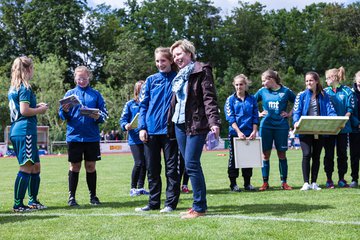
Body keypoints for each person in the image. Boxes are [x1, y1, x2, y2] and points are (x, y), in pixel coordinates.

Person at [170, 39, 221, 219]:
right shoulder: (179, 76)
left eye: (179, 54)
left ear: (189, 53)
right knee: (189, 165)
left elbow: (209, 98)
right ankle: (197, 205)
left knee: (192, 164)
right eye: (174, 55)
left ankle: (199, 207)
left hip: (197, 123)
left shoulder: (202, 70)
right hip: (179, 124)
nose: (176, 58)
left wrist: (214, 122)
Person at [135, 47, 180, 213]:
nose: (160, 64)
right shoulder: (151, 80)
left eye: (163, 60)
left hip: (171, 131)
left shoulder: (178, 78)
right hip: (151, 131)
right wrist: (142, 127)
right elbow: (143, 105)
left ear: (170, 61)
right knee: (152, 169)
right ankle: (153, 203)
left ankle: (170, 203)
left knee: (171, 169)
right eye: (157, 61)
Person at [59, 66, 108, 206]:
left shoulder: (96, 94)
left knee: (91, 166)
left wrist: (97, 116)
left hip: (91, 137)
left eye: (84, 78)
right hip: (74, 136)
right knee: (74, 166)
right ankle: (71, 198)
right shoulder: (70, 94)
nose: (81, 81)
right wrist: (65, 111)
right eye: (79, 78)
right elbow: (62, 115)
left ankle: (93, 197)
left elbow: (104, 115)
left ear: (89, 78)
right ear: (75, 78)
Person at [8, 56, 49, 212]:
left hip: (21, 129)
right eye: (32, 68)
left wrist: (36, 105)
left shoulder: (14, 87)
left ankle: (33, 201)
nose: (33, 71)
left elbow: (22, 108)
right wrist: (41, 110)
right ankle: (18, 204)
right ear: (27, 69)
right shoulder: (25, 87)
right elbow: (25, 111)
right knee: (26, 167)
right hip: (24, 131)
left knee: (35, 166)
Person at [293, 71, 337, 191]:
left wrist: (334, 120)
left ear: (316, 81)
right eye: (306, 81)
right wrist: (296, 121)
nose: (308, 82)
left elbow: (330, 110)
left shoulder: (324, 95)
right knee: (307, 154)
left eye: (310, 80)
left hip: (320, 130)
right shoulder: (301, 95)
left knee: (316, 156)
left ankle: (314, 182)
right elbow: (296, 111)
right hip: (304, 129)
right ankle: (306, 182)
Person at [254, 69, 296, 191]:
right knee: (265, 154)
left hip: (281, 126)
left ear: (271, 79)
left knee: (281, 153)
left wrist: (289, 114)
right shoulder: (262, 91)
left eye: (264, 81)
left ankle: (284, 182)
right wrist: (258, 113)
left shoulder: (286, 91)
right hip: (266, 126)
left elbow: (298, 102)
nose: (263, 84)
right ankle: (265, 183)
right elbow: (251, 102)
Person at [224, 74, 259, 192]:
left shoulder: (252, 99)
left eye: (241, 84)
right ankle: (233, 184)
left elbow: (255, 116)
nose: (239, 87)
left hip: (249, 134)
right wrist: (238, 132)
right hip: (235, 134)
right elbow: (230, 118)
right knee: (233, 159)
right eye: (237, 84)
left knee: (247, 159)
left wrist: (254, 131)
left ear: (246, 85)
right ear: (234, 85)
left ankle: (247, 184)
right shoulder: (230, 100)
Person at [323, 66, 354, 188]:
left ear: (333, 77)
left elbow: (350, 109)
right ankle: (329, 179)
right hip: (329, 130)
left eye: (327, 78)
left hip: (343, 129)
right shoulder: (324, 91)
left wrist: (342, 122)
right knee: (328, 154)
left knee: (342, 155)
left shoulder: (347, 91)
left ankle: (342, 178)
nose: (326, 81)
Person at [120, 80, 149, 196]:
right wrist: (125, 125)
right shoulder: (130, 104)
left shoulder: (149, 103)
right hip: (134, 139)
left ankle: (141, 187)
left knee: (146, 163)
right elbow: (123, 120)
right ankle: (133, 188)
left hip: (147, 137)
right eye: (140, 89)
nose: (142, 91)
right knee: (139, 162)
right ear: (136, 91)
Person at [349, 71, 360, 188]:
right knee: (354, 155)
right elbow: (349, 111)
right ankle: (354, 179)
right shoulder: (351, 93)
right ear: (355, 79)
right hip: (355, 130)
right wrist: (358, 124)